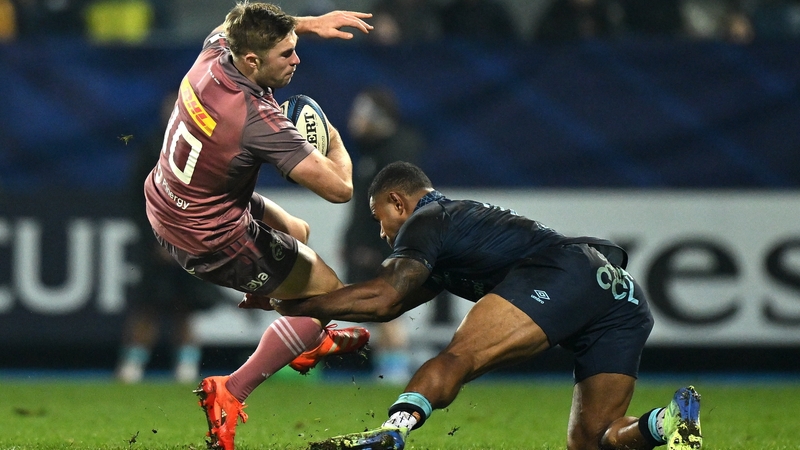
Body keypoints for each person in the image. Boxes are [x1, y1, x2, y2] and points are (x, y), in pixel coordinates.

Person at [264, 161, 703, 450]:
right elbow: (388, 307)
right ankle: (669, 422)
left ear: (399, 202)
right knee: (592, 440)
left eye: (381, 219)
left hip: (562, 272)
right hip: (621, 300)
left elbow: (383, 295)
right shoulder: (451, 229)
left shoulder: (426, 221)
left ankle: (392, 432)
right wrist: (309, 305)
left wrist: (294, 305)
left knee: (458, 357)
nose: (382, 233)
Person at [142, 4, 374, 449]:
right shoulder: (258, 119)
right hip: (211, 236)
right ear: (252, 61)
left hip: (173, 199)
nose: (297, 59)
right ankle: (231, 389)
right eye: (287, 52)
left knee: (298, 232)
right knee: (327, 295)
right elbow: (341, 189)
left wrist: (306, 24)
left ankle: (296, 330)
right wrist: (332, 136)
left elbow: (228, 18)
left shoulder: (214, 54)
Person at [116, 93, 218, 384]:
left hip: (190, 246)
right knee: (147, 306)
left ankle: (187, 370)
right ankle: (132, 367)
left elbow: (210, 200)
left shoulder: (205, 150)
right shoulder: (152, 149)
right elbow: (139, 200)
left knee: (185, 308)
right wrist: (156, 240)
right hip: (156, 247)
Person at [342, 87, 425, 382]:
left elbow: (396, 207)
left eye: (360, 112)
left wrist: (381, 246)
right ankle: (387, 369)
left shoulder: (396, 153)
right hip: (369, 244)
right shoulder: (372, 153)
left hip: (384, 246)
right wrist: (351, 240)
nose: (355, 120)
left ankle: (397, 371)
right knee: (378, 312)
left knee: (388, 308)